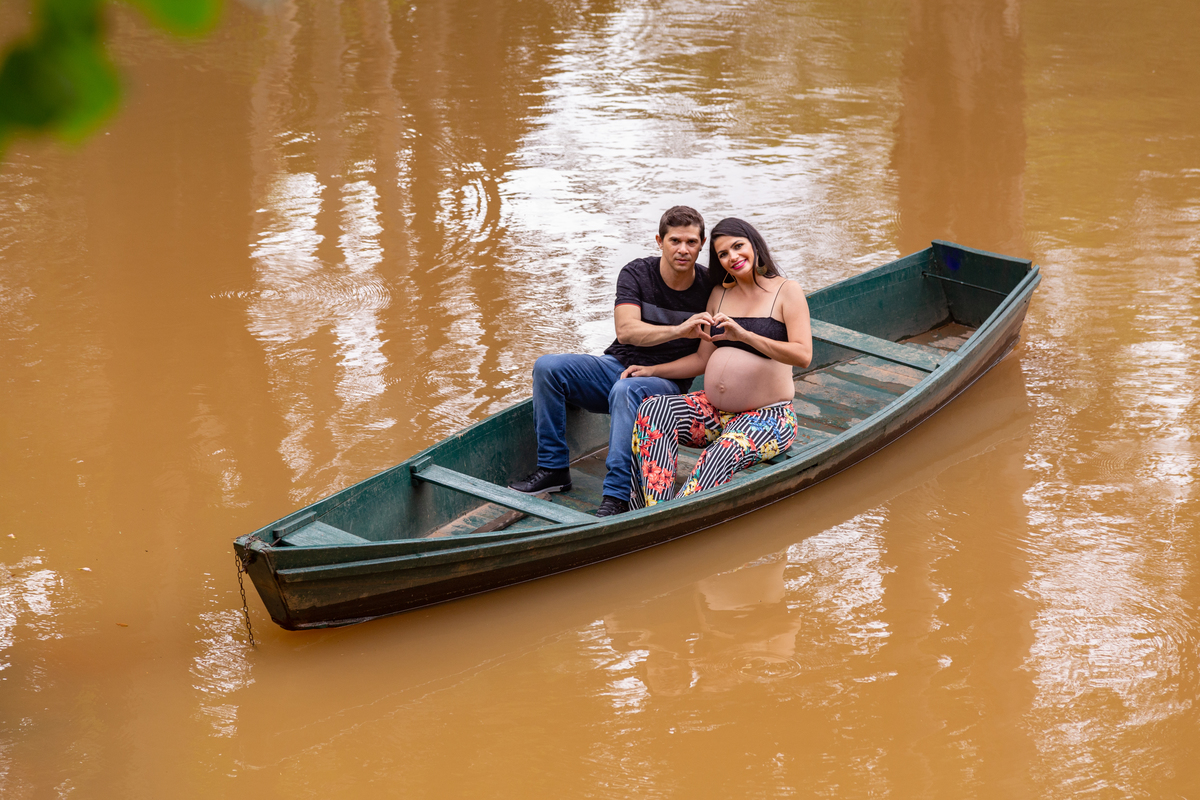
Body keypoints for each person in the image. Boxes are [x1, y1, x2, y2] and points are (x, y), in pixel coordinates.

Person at [509, 206, 712, 517]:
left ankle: (617, 495)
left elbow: (701, 361)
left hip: (664, 383)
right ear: (659, 241)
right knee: (547, 367)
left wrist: (652, 369)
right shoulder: (637, 273)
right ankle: (553, 470)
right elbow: (627, 331)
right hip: (616, 365)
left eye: (691, 242)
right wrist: (679, 330)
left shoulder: (710, 288)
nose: (682, 250)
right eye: (674, 241)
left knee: (625, 391)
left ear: (702, 243)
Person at [621, 217, 812, 507]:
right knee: (653, 410)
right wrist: (652, 370)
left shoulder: (786, 290)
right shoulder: (719, 294)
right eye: (723, 254)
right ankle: (651, 510)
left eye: (738, 246)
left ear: (754, 244)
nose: (732, 257)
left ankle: (676, 515)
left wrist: (745, 335)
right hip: (714, 412)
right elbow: (701, 359)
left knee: (720, 453)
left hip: (769, 417)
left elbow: (803, 355)